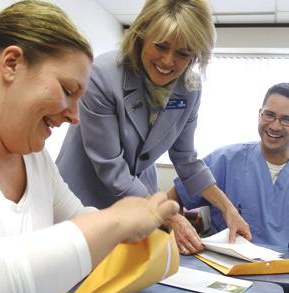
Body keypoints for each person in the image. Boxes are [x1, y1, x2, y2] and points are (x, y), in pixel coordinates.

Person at [0, 1, 181, 293]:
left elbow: (80, 220)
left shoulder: (36, 160)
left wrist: (135, 231)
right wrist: (117, 220)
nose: (74, 116)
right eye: (68, 90)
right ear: (12, 63)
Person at [56, 0, 251, 254]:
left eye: (183, 53)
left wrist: (229, 210)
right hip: (83, 198)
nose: (168, 61)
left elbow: (186, 160)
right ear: (140, 36)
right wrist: (166, 215)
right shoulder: (102, 76)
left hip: (139, 199)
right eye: (160, 45)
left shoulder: (189, 89)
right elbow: (111, 168)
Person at [172, 82, 289, 247]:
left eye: (286, 120)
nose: (275, 126)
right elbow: (173, 197)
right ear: (259, 114)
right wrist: (178, 225)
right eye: (269, 115)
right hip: (222, 267)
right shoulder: (225, 160)